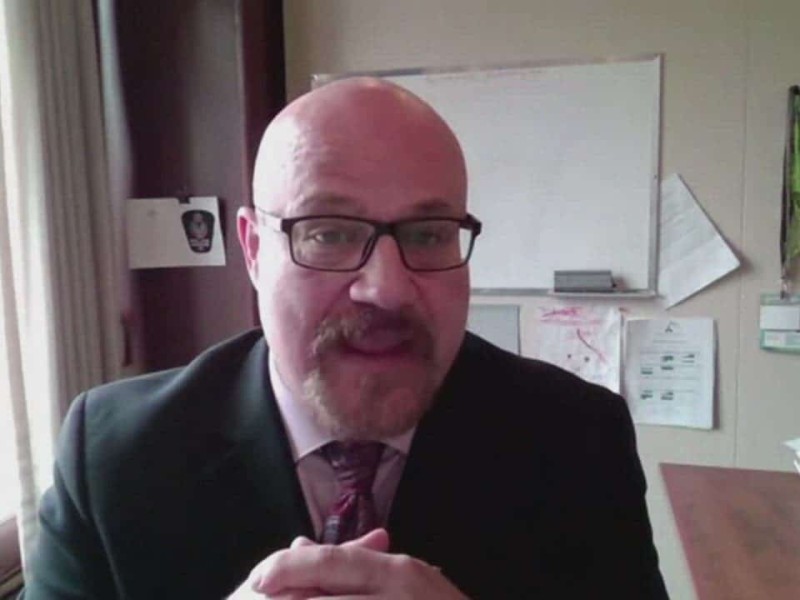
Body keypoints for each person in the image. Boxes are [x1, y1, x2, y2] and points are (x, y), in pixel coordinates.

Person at [22, 78, 669, 599]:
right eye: (328, 233)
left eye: (429, 235)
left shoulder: (576, 440)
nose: (387, 290)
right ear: (253, 250)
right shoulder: (116, 455)